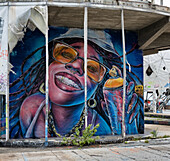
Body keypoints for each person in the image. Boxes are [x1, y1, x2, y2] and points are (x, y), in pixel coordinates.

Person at [9, 28, 143, 138]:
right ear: (49, 64)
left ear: (98, 87)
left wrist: (125, 130)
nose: (76, 65)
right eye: (66, 54)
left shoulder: (99, 129)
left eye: (92, 68)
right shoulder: (32, 107)